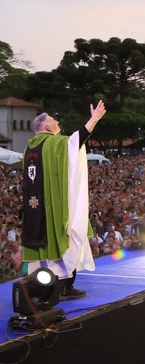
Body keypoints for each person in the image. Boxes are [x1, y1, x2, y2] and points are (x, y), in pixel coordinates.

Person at [22, 101, 106, 299]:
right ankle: (64, 287)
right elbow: (76, 141)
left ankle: (43, 287)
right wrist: (94, 119)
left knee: (42, 243)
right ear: (48, 127)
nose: (58, 122)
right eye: (54, 120)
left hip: (34, 209)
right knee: (66, 236)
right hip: (53, 206)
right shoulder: (53, 144)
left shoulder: (28, 150)